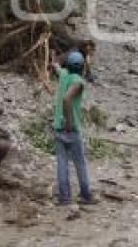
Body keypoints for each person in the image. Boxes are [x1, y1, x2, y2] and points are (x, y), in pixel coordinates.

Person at [51, 50, 95, 206]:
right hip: (71, 128)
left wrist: (54, 58)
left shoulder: (63, 74)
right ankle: (85, 195)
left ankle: (64, 197)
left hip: (57, 127)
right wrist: (69, 122)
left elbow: (55, 66)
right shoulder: (78, 81)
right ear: (81, 66)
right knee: (80, 163)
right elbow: (67, 99)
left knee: (62, 162)